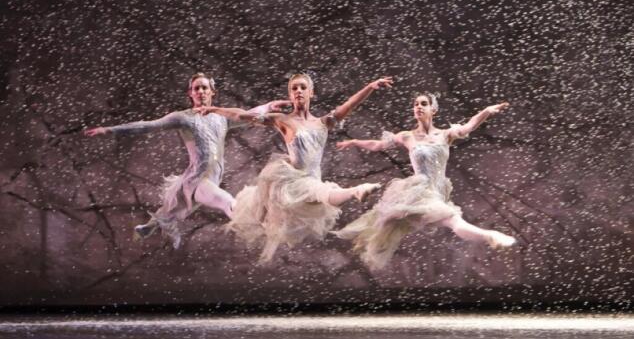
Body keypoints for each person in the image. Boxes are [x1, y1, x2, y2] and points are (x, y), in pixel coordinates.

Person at [196, 73, 393, 263]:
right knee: (312, 195)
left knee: (321, 192)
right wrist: (216, 109)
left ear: (311, 93)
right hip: (292, 182)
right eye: (294, 88)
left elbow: (350, 105)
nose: (298, 91)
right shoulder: (283, 120)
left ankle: (353, 192)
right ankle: (356, 191)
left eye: (302, 87)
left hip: (313, 179)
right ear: (290, 95)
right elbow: (244, 116)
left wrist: (370, 87)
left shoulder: (324, 122)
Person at [84, 73, 289, 248]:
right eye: (196, 88)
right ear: (190, 93)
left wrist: (269, 105)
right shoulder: (183, 118)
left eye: (204, 88)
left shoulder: (222, 117)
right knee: (228, 202)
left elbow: (249, 115)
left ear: (212, 92)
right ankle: (263, 226)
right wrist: (109, 129)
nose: (200, 92)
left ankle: (147, 228)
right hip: (198, 180)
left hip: (211, 179)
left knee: (173, 208)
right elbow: (147, 125)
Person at [333, 92, 517, 270]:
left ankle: (491, 236)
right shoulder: (407, 136)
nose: (418, 107)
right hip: (418, 190)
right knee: (387, 219)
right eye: (415, 104)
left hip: (437, 191)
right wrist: (355, 141)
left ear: (433, 110)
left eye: (423, 104)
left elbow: (468, 126)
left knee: (454, 221)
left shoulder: (446, 135)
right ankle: (364, 237)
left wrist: (486, 111)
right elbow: (378, 145)